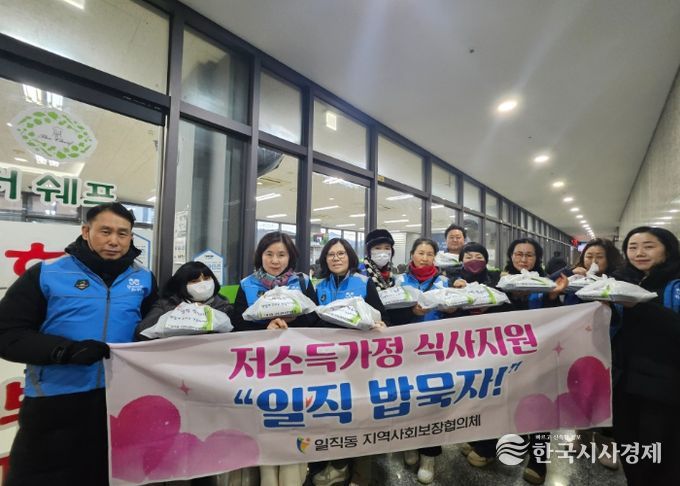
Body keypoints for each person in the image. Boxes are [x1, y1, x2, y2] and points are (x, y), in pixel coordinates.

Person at [0, 202, 157, 486]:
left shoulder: (143, 279)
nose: (114, 241)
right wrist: (65, 351)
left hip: (118, 399)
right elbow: (8, 334)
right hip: (54, 401)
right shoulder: (46, 274)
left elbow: (153, 330)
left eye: (122, 233)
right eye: (105, 231)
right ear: (86, 231)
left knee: (107, 476)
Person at [231, 231, 317, 486]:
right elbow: (237, 326)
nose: (275, 260)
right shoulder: (247, 285)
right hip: (261, 368)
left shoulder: (302, 282)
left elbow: (316, 321)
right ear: (261, 256)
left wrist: (294, 320)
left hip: (297, 366)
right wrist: (264, 327)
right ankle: (268, 478)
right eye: (269, 254)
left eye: (281, 254)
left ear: (290, 257)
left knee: (295, 421)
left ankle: (293, 478)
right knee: (266, 421)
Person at [312, 238, 387, 486]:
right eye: (331, 254)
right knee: (335, 414)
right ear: (325, 259)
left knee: (362, 414)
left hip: (360, 361)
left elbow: (381, 316)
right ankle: (339, 466)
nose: (336, 258)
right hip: (328, 362)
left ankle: (361, 474)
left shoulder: (363, 282)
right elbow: (312, 323)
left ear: (350, 257)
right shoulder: (319, 286)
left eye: (341, 253)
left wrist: (380, 324)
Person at [611, 226, 680, 485]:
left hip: (664, 384)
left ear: (668, 250)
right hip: (623, 381)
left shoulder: (674, 284)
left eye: (649, 246)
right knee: (629, 447)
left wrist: (639, 305)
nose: (639, 253)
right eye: (633, 247)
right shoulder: (621, 281)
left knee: (660, 453)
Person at [391, 238, 451, 484]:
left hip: (436, 351)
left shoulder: (444, 282)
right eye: (420, 253)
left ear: (435, 257)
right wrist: (410, 311)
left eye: (429, 254)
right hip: (405, 351)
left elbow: (455, 314)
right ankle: (409, 443)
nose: (424, 258)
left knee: (433, 403)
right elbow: (391, 314)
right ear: (412, 255)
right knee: (406, 400)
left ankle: (429, 455)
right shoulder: (399, 281)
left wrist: (452, 309)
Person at [136, 261, 232, 339]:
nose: (203, 284)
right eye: (195, 281)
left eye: (206, 279)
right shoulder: (166, 304)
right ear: (182, 285)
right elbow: (142, 332)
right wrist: (175, 313)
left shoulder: (223, 306)